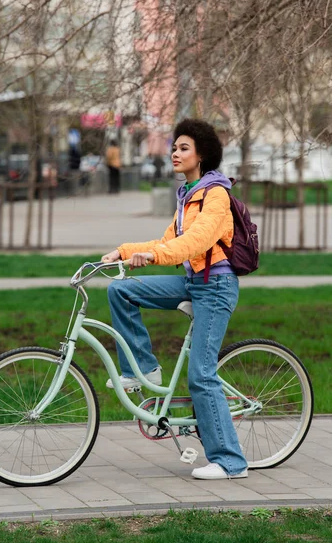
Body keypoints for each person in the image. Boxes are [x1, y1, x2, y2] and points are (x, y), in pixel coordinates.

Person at [101, 118, 248, 481]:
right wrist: (124, 251)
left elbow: (195, 242)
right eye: (174, 147)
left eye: (184, 148)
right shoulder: (187, 195)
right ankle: (143, 367)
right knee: (121, 289)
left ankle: (231, 462)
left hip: (215, 287)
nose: (175, 153)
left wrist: (154, 258)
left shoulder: (216, 195)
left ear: (202, 154)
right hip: (192, 281)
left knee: (201, 375)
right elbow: (167, 242)